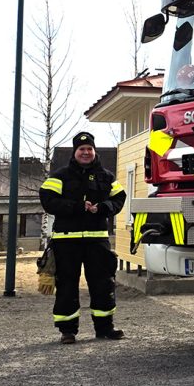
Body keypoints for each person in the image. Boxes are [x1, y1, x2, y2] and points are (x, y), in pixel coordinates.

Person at [39, 131, 127, 344]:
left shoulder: (106, 176)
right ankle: (67, 331)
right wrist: (77, 207)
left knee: (103, 283)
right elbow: (48, 200)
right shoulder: (60, 176)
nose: (85, 152)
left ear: (94, 151)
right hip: (66, 240)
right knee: (67, 285)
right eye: (81, 149)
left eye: (89, 149)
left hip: (97, 240)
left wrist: (104, 207)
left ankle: (105, 328)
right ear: (75, 152)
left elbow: (119, 198)